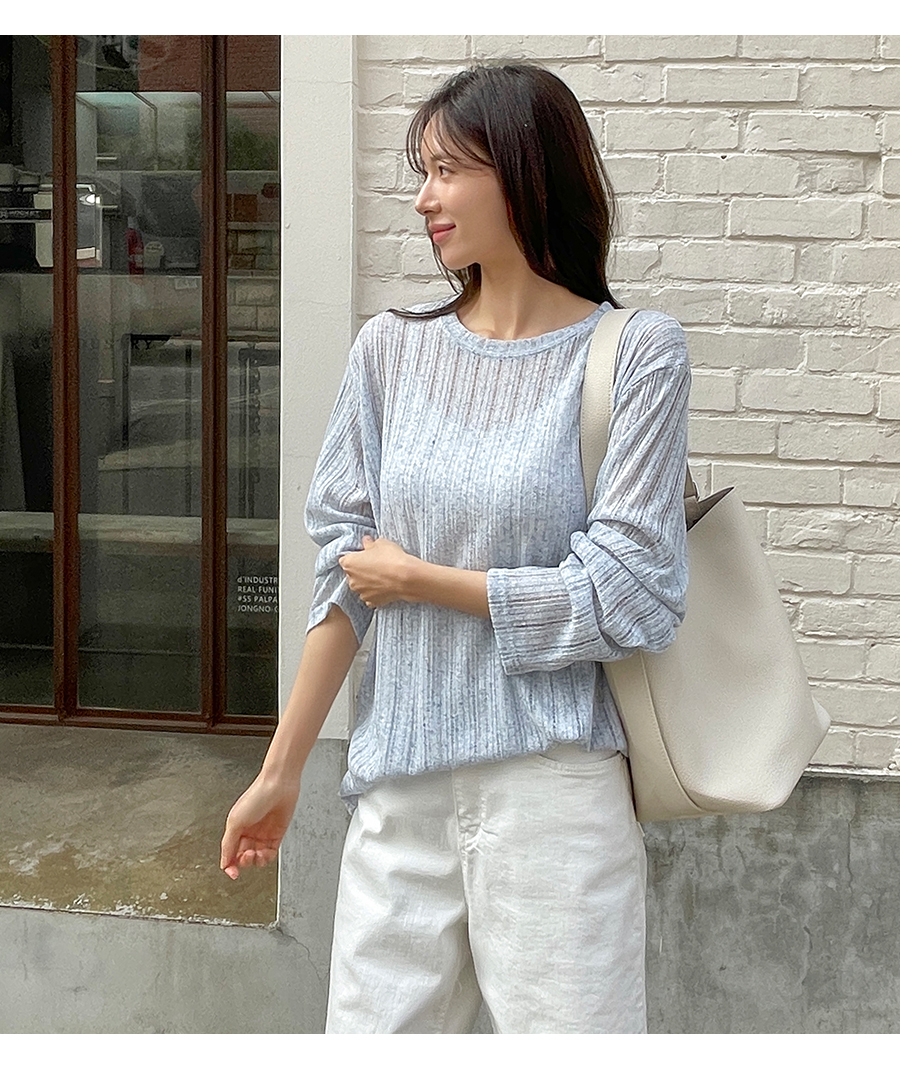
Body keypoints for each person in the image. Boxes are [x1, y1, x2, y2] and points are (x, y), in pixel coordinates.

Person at [220, 62, 691, 1034]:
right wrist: (281, 769)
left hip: (553, 783)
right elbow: (343, 575)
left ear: (525, 173)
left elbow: (632, 592)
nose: (423, 198)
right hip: (399, 782)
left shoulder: (636, 353)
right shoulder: (391, 350)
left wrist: (422, 579)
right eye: (421, 172)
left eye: (446, 171)